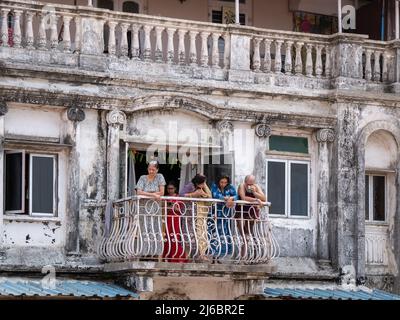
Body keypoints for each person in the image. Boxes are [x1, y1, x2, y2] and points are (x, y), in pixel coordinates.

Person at [135, 161, 166, 257]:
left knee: (155, 228)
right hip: (144, 208)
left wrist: (146, 192)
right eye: (149, 169)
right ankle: (143, 252)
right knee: (144, 228)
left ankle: (155, 253)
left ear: (157, 170)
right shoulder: (143, 178)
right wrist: (152, 194)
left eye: (153, 169)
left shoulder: (159, 177)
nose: (151, 171)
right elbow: (138, 192)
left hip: (155, 208)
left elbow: (161, 192)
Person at [180, 174, 212, 261]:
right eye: (202, 183)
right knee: (188, 235)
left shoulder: (203, 186)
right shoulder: (190, 185)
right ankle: (187, 257)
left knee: (200, 234)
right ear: (197, 183)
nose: (204, 185)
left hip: (199, 214)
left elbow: (209, 197)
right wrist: (193, 194)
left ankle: (201, 255)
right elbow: (181, 195)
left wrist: (203, 192)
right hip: (189, 214)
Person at [236, 175, 266, 260]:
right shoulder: (242, 186)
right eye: (248, 183)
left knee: (250, 234)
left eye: (251, 183)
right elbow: (243, 197)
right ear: (245, 182)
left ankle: (249, 257)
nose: (249, 185)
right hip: (241, 212)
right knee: (244, 236)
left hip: (252, 213)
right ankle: (242, 258)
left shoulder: (256, 187)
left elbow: (264, 198)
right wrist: (256, 200)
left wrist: (255, 193)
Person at [209, 176, 238, 261]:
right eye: (221, 182)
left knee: (222, 234)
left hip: (224, 215)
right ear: (218, 181)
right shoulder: (214, 186)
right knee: (214, 233)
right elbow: (215, 195)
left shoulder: (230, 187)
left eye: (225, 182)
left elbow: (236, 196)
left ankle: (218, 256)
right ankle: (213, 256)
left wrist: (231, 198)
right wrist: (225, 198)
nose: (223, 184)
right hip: (214, 214)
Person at [162, 182, 188, 263]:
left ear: (175, 189)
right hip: (166, 219)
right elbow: (162, 209)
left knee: (174, 238)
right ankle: (166, 256)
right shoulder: (165, 197)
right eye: (168, 188)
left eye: (171, 188)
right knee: (166, 238)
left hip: (175, 219)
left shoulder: (178, 198)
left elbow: (180, 210)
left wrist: (173, 206)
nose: (170, 190)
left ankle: (176, 257)